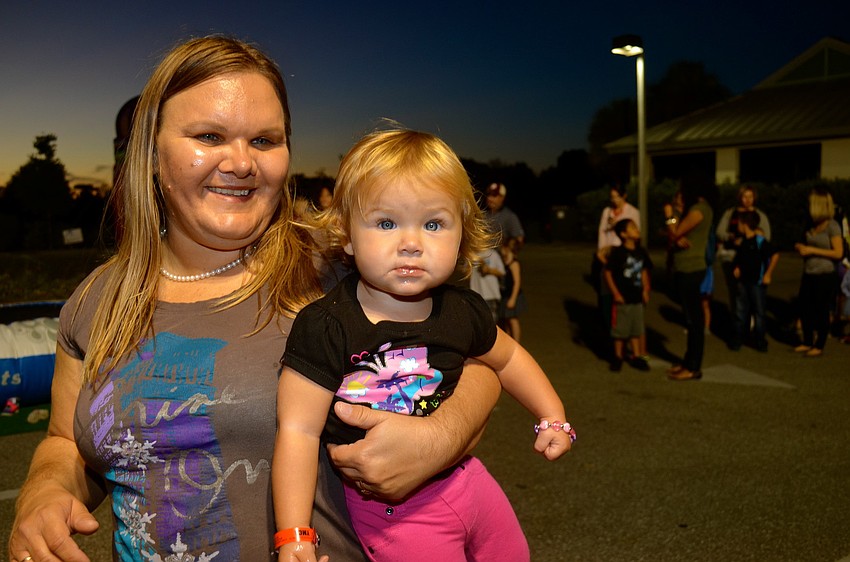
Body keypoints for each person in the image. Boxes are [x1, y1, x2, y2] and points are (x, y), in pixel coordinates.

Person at [8, 37, 501, 562]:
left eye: (265, 140)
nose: (241, 162)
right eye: (209, 135)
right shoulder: (97, 301)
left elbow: (482, 363)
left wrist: (441, 435)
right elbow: (66, 441)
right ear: (152, 154)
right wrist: (43, 488)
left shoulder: (341, 266)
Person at [273, 129, 573, 562]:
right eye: (386, 222)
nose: (411, 243)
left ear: (461, 235)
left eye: (433, 224)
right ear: (347, 235)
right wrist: (294, 535)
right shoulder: (325, 327)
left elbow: (508, 359)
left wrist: (553, 416)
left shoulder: (462, 310)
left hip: (470, 480)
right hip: (393, 513)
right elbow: (298, 432)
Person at [663, 177, 715, 381]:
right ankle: (687, 362)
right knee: (691, 320)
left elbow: (674, 231)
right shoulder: (697, 209)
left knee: (694, 322)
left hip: (692, 269)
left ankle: (693, 367)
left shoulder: (700, 209)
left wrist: (669, 216)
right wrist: (674, 232)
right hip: (686, 268)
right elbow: (673, 235)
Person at [793, 188, 844, 357]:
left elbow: (838, 253)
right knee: (804, 307)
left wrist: (812, 250)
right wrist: (800, 247)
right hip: (809, 271)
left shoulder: (832, 226)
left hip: (825, 273)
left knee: (821, 309)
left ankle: (819, 344)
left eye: (811, 203)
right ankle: (807, 341)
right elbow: (803, 242)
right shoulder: (810, 223)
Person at [715, 185, 772, 328]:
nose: (747, 200)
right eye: (745, 196)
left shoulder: (760, 215)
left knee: (753, 290)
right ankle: (737, 320)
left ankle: (752, 321)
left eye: (750, 197)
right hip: (732, 256)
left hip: (753, 259)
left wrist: (751, 239)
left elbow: (767, 237)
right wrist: (731, 237)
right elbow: (720, 231)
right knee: (735, 290)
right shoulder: (730, 213)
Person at [603, 219, 652, 372]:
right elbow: (608, 273)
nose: (637, 230)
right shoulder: (618, 253)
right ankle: (618, 356)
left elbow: (644, 271)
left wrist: (645, 290)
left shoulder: (641, 251)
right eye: (632, 228)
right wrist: (615, 293)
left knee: (636, 329)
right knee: (620, 330)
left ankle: (637, 356)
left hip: (637, 297)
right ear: (623, 234)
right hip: (622, 299)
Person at [728, 211, 779, 352]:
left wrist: (768, 274)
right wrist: (737, 268)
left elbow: (775, 255)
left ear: (745, 224)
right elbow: (740, 259)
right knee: (740, 312)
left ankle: (760, 341)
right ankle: (738, 339)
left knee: (759, 312)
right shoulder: (743, 242)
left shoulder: (759, 241)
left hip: (757, 283)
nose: (737, 225)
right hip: (742, 282)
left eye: (738, 223)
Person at [595, 185, 641, 334]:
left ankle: (624, 330)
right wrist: (602, 250)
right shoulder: (607, 212)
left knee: (621, 289)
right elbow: (602, 232)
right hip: (607, 254)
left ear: (624, 196)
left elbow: (635, 234)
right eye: (612, 197)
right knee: (605, 290)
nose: (614, 200)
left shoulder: (632, 212)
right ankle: (609, 327)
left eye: (617, 196)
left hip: (622, 255)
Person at [498, 237, 527, 342]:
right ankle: (509, 340)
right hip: (505, 295)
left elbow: (517, 282)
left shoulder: (514, 263)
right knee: (505, 319)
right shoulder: (504, 262)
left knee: (513, 319)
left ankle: (516, 342)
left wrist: (513, 299)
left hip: (512, 295)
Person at [470, 247, 505, 323]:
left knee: (491, 321)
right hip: (476, 294)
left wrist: (488, 270)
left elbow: (502, 272)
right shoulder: (473, 255)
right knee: (478, 321)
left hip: (490, 294)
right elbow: (465, 271)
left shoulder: (493, 254)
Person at [485, 182, 525, 247]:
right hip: (483, 253)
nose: (490, 198)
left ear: (502, 197)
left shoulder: (510, 216)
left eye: (494, 195)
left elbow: (519, 239)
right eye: (489, 195)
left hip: (498, 254)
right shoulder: (483, 215)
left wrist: (509, 247)